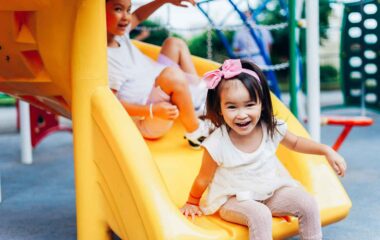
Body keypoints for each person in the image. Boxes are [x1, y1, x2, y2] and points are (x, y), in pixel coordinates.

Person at [180, 59, 347, 240]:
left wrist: (325, 150)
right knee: (260, 215)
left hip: (269, 191)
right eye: (232, 107)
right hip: (233, 200)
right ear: (220, 109)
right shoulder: (217, 143)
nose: (242, 114)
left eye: (250, 105)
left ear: (262, 104)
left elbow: (296, 142)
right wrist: (192, 202)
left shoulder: (270, 128)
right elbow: (203, 178)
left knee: (307, 203)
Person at [106, 0, 208, 147]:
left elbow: (139, 15)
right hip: (149, 117)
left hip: (159, 86)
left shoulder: (119, 35)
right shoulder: (105, 58)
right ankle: (196, 132)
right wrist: (152, 110)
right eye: (118, 9)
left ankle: (198, 98)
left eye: (128, 10)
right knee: (172, 75)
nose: (126, 17)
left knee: (174, 43)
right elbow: (111, 104)